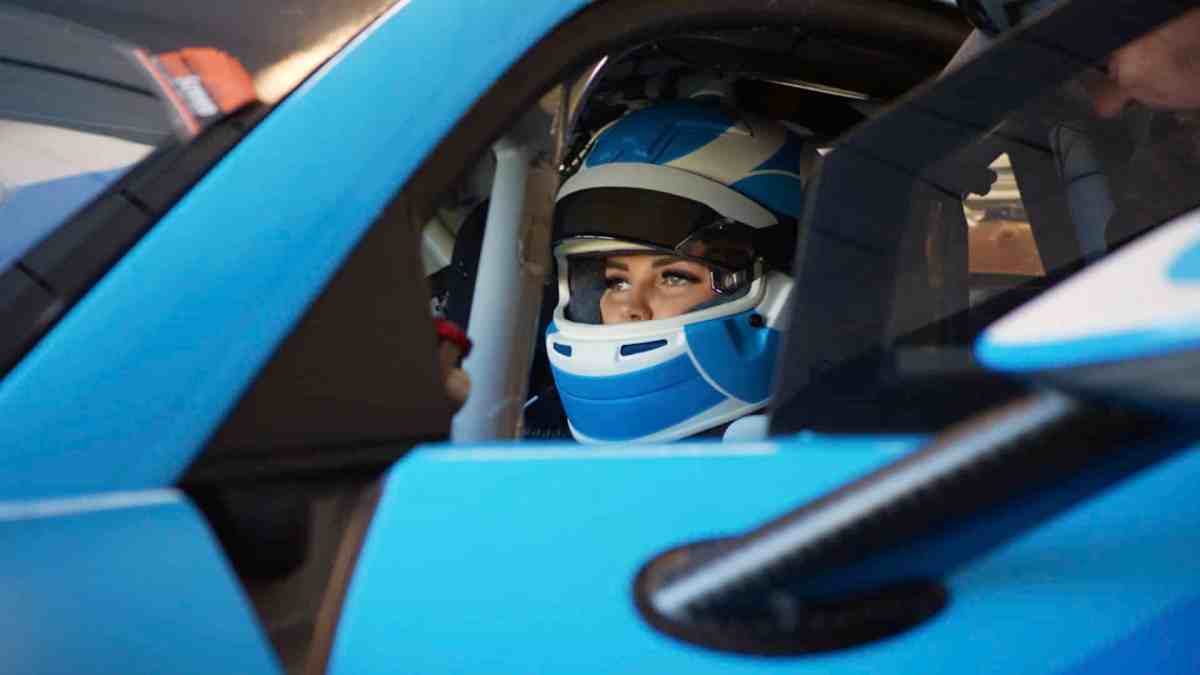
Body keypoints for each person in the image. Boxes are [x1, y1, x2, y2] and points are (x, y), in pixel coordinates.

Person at [538, 99, 815, 443]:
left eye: (674, 277)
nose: (630, 308)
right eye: (617, 281)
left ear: (782, 285)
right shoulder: (530, 430)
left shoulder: (850, 457)